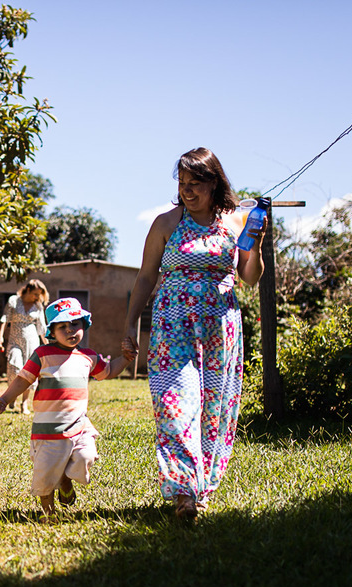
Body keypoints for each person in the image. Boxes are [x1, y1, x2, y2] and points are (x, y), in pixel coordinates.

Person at [121, 147, 266, 521]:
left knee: (214, 410)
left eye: (194, 183)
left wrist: (256, 244)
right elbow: (145, 278)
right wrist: (130, 324)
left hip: (220, 330)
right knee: (175, 402)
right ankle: (184, 492)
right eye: (182, 183)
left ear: (214, 183)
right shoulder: (166, 224)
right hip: (173, 329)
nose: (186, 190)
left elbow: (250, 277)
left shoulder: (235, 223)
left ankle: (201, 489)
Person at [0, 297, 131, 516]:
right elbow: (23, 380)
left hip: (79, 426)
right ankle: (49, 514)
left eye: (75, 323)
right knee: (45, 476)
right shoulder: (42, 355)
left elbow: (109, 370)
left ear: (84, 325)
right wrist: (4, 399)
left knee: (86, 457)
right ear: (52, 332)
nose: (70, 330)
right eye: (62, 326)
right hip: (48, 431)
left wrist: (127, 358)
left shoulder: (88, 356)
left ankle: (66, 479)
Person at [0, 278, 48, 413]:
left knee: (30, 372)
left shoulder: (38, 306)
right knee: (14, 367)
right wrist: (0, 337)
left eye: (39, 295)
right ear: (28, 290)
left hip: (32, 342)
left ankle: (24, 403)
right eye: (35, 294)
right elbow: (5, 319)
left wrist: (47, 344)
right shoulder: (14, 301)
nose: (37, 297)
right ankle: (12, 396)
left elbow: (42, 327)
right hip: (15, 340)